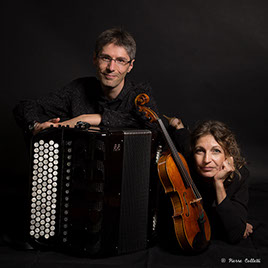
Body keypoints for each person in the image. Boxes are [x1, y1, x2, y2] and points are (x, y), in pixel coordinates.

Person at [13, 27, 158, 137]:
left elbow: (153, 127)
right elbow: (25, 107)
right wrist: (35, 126)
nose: (111, 68)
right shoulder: (78, 90)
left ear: (130, 66)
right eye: (105, 58)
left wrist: (89, 119)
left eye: (120, 61)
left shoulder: (140, 94)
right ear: (95, 59)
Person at [168, 118, 253, 244]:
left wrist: (218, 183)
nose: (206, 160)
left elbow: (236, 234)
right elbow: (184, 139)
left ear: (228, 155)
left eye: (216, 151)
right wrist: (178, 126)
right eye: (200, 151)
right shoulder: (189, 160)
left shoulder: (240, 175)